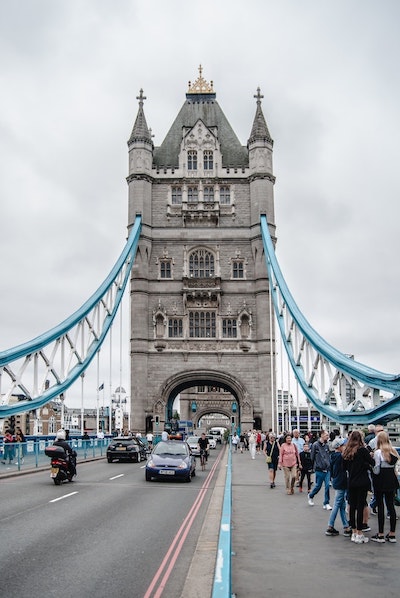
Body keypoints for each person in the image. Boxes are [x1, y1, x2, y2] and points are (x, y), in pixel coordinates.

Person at [342, 430, 375, 544]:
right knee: (360, 506)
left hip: (351, 481)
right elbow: (372, 462)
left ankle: (354, 531)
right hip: (362, 481)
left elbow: (345, 467)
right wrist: (365, 464)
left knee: (352, 505)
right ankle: (360, 532)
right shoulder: (362, 450)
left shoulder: (347, 451)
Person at [370, 431, 399, 543]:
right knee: (391, 506)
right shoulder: (393, 451)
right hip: (391, 479)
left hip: (380, 480)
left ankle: (381, 534)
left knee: (380, 506)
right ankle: (392, 534)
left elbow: (376, 470)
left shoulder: (378, 452)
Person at [325, 438, 352, 537]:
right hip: (342, 482)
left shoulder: (333, 456)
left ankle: (346, 526)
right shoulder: (341, 457)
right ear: (339, 447)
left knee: (341, 505)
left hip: (336, 480)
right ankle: (330, 525)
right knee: (337, 503)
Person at [308, 430, 332, 509]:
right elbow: (312, 457)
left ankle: (326, 502)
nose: (327, 437)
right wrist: (314, 466)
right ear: (321, 435)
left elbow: (328, 456)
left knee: (327, 486)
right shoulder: (315, 445)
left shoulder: (327, 445)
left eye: (328, 435)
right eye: (326, 435)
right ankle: (311, 495)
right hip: (319, 469)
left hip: (327, 469)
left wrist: (329, 464)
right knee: (318, 486)